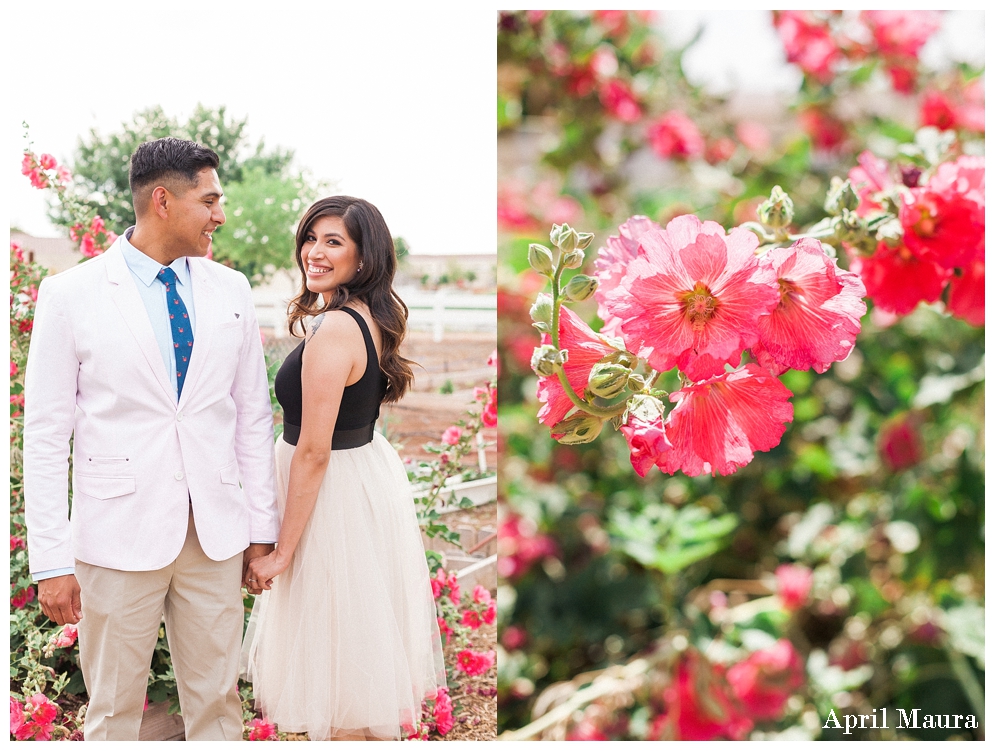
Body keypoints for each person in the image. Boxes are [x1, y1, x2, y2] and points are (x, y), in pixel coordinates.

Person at [23, 137, 280, 741]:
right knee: (112, 712)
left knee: (218, 707)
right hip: (116, 537)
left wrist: (260, 531)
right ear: (162, 200)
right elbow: (44, 435)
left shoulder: (231, 290)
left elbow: (251, 417)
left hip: (214, 534)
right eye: (211, 200)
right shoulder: (70, 296)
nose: (221, 214)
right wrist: (53, 560)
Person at [240, 196, 446, 741]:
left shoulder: (335, 327)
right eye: (311, 238)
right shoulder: (364, 318)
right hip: (355, 479)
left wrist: (282, 549)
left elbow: (313, 449)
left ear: (365, 257)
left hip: (330, 495)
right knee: (350, 650)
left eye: (334, 242)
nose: (315, 252)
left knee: (336, 662)